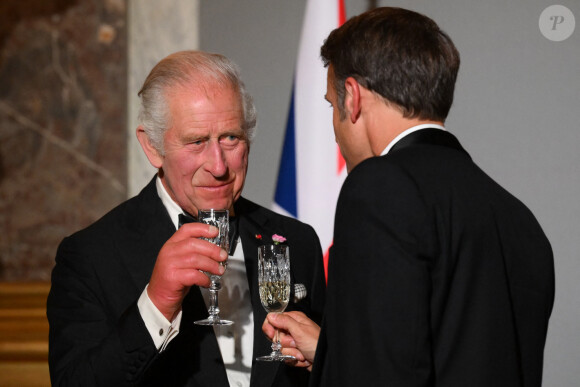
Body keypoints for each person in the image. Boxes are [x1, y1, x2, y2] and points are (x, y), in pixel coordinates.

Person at [262, 7, 555, 386]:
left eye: (332, 107)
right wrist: (333, 352)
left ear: (352, 97)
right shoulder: (519, 219)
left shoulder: (379, 189)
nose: (335, 131)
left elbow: (378, 376)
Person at [47, 50, 326, 387]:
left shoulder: (296, 240)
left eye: (231, 138)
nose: (219, 166)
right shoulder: (91, 255)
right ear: (152, 147)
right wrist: (156, 304)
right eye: (197, 141)